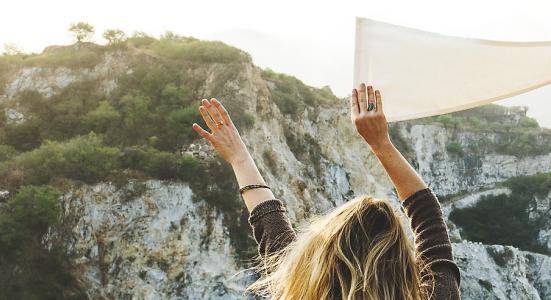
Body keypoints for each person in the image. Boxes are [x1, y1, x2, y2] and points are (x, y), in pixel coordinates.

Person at [189, 84, 460, 299]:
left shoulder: (294, 288)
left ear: (324, 254)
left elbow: (268, 221)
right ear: (399, 263)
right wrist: (381, 143)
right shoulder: (436, 296)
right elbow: (427, 214)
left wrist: (239, 157)